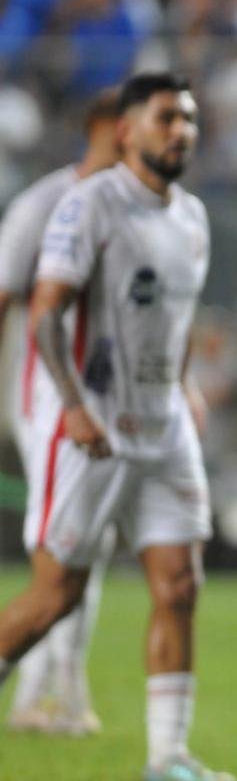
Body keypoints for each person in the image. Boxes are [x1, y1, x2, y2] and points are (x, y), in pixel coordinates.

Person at [0, 72, 233, 781]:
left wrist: (184, 383)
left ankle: (168, 759)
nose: (180, 131)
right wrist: (70, 403)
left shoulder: (192, 215)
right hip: (93, 427)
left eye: (188, 119)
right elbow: (44, 312)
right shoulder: (87, 204)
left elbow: (178, 318)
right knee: (54, 597)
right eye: (166, 118)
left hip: (163, 427)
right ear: (127, 130)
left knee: (180, 585)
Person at [0, 89, 120, 735]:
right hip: (47, 399)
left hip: (114, 402)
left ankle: (60, 689)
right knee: (59, 548)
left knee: (87, 544)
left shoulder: (140, 208)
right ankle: (38, 695)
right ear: (101, 128)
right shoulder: (42, 204)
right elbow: (4, 296)